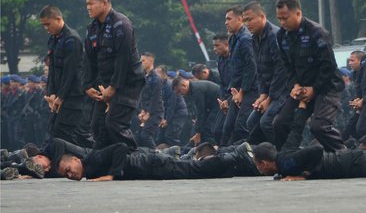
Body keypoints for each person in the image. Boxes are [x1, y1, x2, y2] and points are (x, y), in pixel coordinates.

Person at [273, 0, 345, 152]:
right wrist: (295, 85)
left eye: (285, 18)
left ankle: (343, 155)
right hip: (302, 88)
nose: (282, 23)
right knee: (280, 123)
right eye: (279, 19)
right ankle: (287, 161)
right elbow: (287, 66)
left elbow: (328, 66)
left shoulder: (316, 32)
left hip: (326, 86)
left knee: (318, 127)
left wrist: (314, 89)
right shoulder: (281, 36)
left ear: (298, 13)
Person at [83, 0, 145, 150]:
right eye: (86, 4)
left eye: (91, 3)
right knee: (97, 125)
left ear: (104, 3)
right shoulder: (92, 29)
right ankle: (109, 164)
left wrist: (114, 87)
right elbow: (90, 60)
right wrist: (88, 85)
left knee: (114, 124)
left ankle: (132, 158)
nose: (88, 7)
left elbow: (123, 59)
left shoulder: (121, 24)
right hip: (106, 84)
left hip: (128, 82)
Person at [56, 142, 254, 181]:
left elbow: (119, 147)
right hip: (152, 167)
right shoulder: (89, 170)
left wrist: (112, 175)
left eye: (68, 169)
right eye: (66, 175)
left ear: (75, 159)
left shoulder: (92, 159)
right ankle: (230, 160)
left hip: (152, 165)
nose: (70, 174)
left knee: (195, 169)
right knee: (195, 169)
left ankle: (236, 154)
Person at [39, 5, 91, 147]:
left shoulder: (71, 40)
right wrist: (50, 94)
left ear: (58, 19)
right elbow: (53, 70)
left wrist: (61, 97)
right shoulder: (53, 39)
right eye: (44, 25)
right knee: (55, 132)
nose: (46, 28)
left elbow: (70, 72)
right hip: (59, 97)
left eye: (48, 24)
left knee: (71, 135)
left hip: (72, 96)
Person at [242, 1, 288, 145]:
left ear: (262, 16)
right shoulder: (254, 38)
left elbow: (281, 71)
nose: (247, 24)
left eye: (249, 19)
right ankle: (263, 156)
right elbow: (260, 70)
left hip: (284, 90)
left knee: (266, 122)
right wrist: (262, 95)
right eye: (244, 21)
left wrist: (269, 98)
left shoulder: (275, 36)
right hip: (269, 92)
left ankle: (282, 154)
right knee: (251, 122)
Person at [222, 6, 258, 145]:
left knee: (242, 126)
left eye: (229, 19)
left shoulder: (245, 39)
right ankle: (223, 158)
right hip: (237, 91)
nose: (226, 22)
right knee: (227, 127)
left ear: (240, 19)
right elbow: (235, 69)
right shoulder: (233, 39)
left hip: (250, 90)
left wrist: (242, 92)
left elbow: (251, 68)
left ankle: (251, 157)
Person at [172, 77, 220, 146]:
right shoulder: (191, 89)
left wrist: (198, 132)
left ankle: (213, 149)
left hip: (219, 105)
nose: (180, 94)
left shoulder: (196, 90)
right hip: (210, 107)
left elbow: (201, 112)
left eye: (179, 91)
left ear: (184, 85)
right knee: (196, 129)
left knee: (207, 130)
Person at [135, 52, 164, 149]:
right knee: (138, 136)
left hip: (155, 112)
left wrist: (148, 113)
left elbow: (155, 98)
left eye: (143, 60)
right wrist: (142, 110)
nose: (141, 62)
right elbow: (143, 95)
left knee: (146, 135)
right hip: (146, 111)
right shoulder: (144, 77)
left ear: (151, 61)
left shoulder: (156, 79)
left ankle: (156, 155)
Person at [155, 65, 188, 147]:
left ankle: (176, 156)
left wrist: (167, 120)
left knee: (171, 136)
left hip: (178, 113)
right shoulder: (160, 85)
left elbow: (171, 105)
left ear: (164, 75)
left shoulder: (170, 86)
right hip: (168, 113)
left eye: (157, 74)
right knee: (160, 136)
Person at [212, 34, 232, 144]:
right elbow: (222, 83)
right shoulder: (220, 60)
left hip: (237, 97)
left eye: (217, 45)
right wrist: (223, 100)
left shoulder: (234, 58)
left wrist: (228, 101)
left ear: (226, 44)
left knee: (228, 129)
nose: (214, 49)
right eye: (213, 46)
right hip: (225, 99)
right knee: (216, 130)